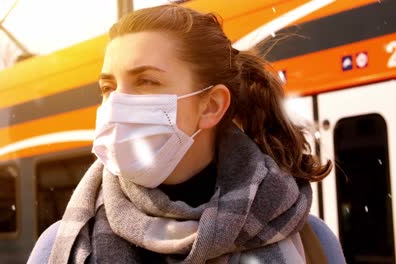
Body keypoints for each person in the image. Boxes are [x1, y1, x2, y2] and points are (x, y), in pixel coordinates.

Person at [29, 4, 339, 263]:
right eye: (107, 87)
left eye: (146, 81)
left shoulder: (313, 243)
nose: (115, 104)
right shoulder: (61, 247)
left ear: (211, 106)